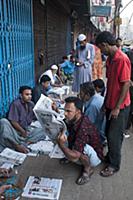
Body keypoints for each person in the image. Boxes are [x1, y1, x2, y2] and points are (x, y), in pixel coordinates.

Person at [95, 31, 131, 177]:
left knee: (113, 136)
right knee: (111, 134)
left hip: (120, 107)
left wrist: (116, 107)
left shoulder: (122, 59)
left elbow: (125, 84)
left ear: (105, 45)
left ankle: (114, 165)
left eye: (100, 48)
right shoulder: (110, 59)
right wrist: (105, 103)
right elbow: (110, 84)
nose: (101, 51)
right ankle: (111, 157)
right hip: (110, 103)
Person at [57, 97, 103, 185]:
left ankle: (88, 169)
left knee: (81, 150)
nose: (65, 114)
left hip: (95, 156)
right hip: (82, 145)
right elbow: (63, 123)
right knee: (65, 135)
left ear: (78, 112)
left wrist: (61, 145)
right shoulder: (74, 118)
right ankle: (70, 155)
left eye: (68, 111)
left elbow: (75, 156)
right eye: (64, 110)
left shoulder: (83, 127)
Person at [0, 86, 46, 153]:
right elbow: (13, 121)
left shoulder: (31, 104)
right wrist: (22, 131)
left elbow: (36, 116)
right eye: (27, 94)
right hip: (15, 132)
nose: (29, 96)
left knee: (43, 130)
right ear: (21, 95)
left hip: (26, 131)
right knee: (3, 122)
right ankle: (17, 146)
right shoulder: (16, 104)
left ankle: (25, 143)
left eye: (30, 94)